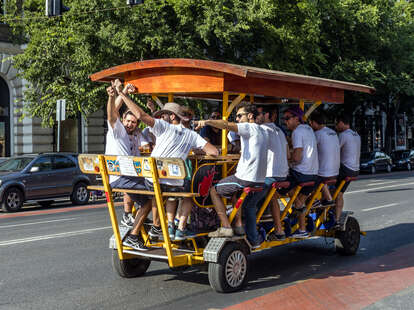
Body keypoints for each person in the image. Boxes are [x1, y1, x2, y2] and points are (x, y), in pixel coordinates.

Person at [114, 80, 218, 245]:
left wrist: (121, 94)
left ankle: (163, 225)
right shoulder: (191, 135)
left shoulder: (164, 127)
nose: (162, 117)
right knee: (188, 193)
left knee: (161, 190)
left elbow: (140, 116)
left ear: (171, 116)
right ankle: (180, 228)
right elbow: (214, 151)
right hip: (172, 184)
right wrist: (196, 151)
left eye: (164, 115)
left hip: (154, 180)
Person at [195, 103, 268, 248]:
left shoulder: (249, 127)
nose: (238, 119)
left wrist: (207, 121)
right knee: (234, 192)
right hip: (259, 180)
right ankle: (239, 225)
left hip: (245, 178)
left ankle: (226, 227)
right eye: (237, 116)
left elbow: (226, 125)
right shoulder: (263, 131)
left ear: (250, 116)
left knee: (213, 191)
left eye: (240, 116)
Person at [105, 82, 152, 251]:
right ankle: (136, 233)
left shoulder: (135, 134)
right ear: (122, 120)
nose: (130, 124)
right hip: (121, 177)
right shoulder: (117, 131)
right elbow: (111, 114)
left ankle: (138, 223)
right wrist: (113, 95)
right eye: (128, 121)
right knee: (151, 199)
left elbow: (151, 123)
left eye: (134, 122)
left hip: (128, 175)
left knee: (150, 190)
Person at [252, 105, 290, 241]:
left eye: (258, 113)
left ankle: (250, 231)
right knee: (271, 195)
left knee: (248, 199)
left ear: (266, 115)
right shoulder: (279, 130)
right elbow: (288, 154)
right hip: (283, 174)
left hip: (270, 175)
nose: (256, 116)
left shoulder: (262, 129)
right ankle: (278, 229)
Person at [281, 106, 318, 238]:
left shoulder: (297, 132)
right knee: (299, 201)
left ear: (297, 118)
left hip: (301, 174)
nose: (285, 121)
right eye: (284, 119)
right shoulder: (309, 129)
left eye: (287, 118)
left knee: (276, 186)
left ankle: (300, 227)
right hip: (313, 174)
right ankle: (301, 222)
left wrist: (287, 160)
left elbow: (297, 157)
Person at [308, 111, 340, 205]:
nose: (310, 125)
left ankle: (314, 200)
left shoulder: (317, 134)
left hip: (324, 174)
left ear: (314, 122)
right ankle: (321, 199)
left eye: (310, 123)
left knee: (305, 176)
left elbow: (308, 150)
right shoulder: (333, 132)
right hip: (335, 172)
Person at [335, 113, 360, 225]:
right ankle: (336, 216)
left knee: (322, 178)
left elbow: (334, 150)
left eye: (337, 123)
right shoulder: (356, 135)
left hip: (345, 168)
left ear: (341, 122)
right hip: (355, 169)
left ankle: (328, 206)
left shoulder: (343, 135)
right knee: (339, 192)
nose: (336, 126)